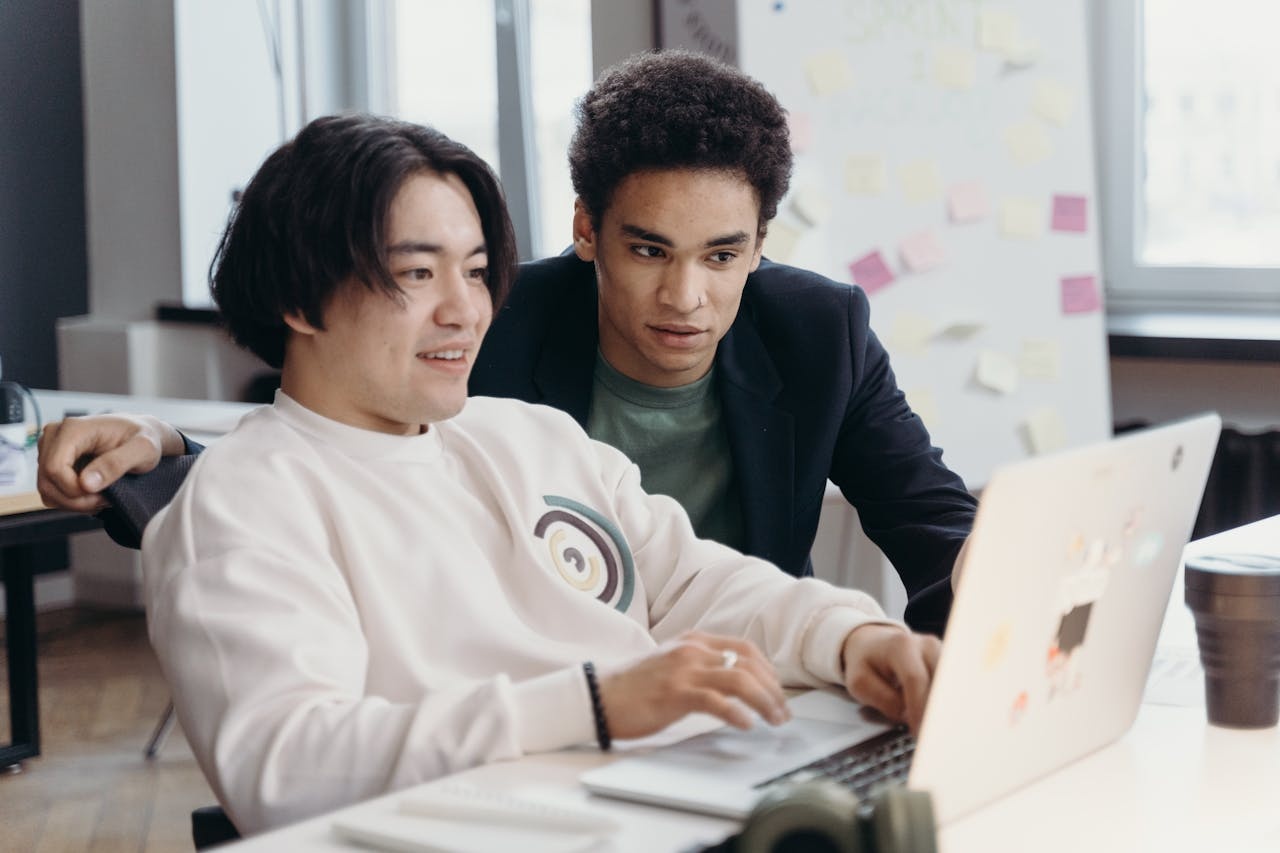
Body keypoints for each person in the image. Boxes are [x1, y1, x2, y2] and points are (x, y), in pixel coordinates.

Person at [130, 113, 940, 835]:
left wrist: (852, 637)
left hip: (652, 805)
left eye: (476, 270)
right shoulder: (245, 500)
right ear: (300, 299)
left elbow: (703, 584)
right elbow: (284, 768)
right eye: (418, 273)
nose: (465, 309)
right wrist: (594, 701)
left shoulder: (529, 436)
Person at [37, 50, 975, 635]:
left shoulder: (821, 330)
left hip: (754, 678)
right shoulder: (488, 321)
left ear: (761, 246)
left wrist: (964, 645)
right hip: (550, 697)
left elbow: (938, 528)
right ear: (586, 229)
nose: (687, 296)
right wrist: (164, 452)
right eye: (648, 249)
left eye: (723, 255)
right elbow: (329, 467)